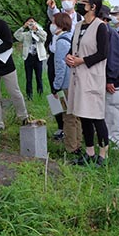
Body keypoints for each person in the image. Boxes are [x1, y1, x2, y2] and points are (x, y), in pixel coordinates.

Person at [65, 0, 110, 166]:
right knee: (83, 116)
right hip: (78, 77)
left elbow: (103, 53)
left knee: (96, 116)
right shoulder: (78, 26)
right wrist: (69, 57)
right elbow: (73, 48)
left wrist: (82, 60)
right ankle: (89, 153)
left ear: (93, 6)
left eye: (83, 3)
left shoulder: (100, 26)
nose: (80, 5)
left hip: (92, 77)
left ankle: (103, 155)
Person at [45, 0, 83, 140]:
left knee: (67, 91)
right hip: (55, 56)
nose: (65, 0)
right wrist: (51, 7)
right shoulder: (58, 14)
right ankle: (61, 126)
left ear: (75, 0)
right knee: (55, 91)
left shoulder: (79, 18)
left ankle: (71, 129)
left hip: (71, 58)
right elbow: (53, 15)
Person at [50, 12, 82, 155]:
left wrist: (56, 87)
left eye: (53, 22)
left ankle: (71, 147)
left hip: (66, 84)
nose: (51, 25)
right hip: (76, 82)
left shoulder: (61, 41)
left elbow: (60, 66)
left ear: (59, 24)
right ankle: (79, 143)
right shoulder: (72, 37)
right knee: (77, 116)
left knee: (68, 117)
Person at [99, 6, 119, 149]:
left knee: (114, 112)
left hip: (114, 81)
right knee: (106, 112)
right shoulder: (105, 33)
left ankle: (115, 143)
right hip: (107, 79)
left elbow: (114, 59)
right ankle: (107, 141)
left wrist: (110, 79)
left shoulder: (111, 35)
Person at [14, 17, 47, 100]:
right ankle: (29, 95)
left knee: (39, 77)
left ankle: (40, 94)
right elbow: (16, 36)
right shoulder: (26, 34)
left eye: (32, 22)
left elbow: (44, 38)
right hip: (28, 57)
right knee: (28, 77)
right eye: (29, 22)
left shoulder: (40, 31)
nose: (31, 24)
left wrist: (37, 30)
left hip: (38, 57)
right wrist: (23, 27)